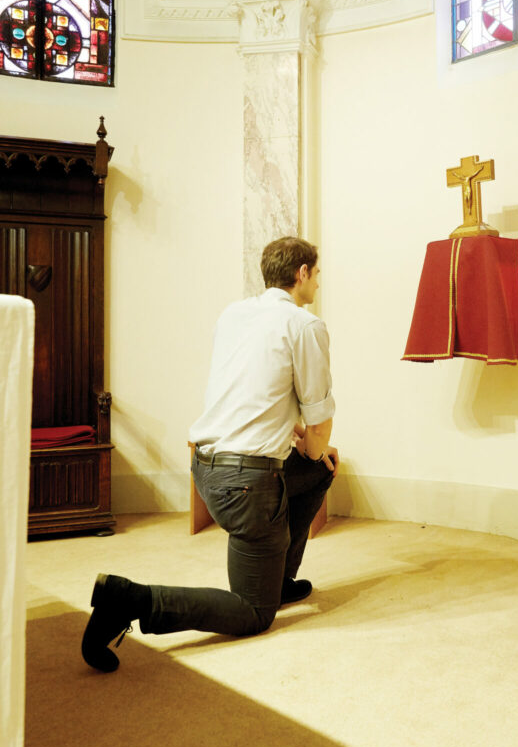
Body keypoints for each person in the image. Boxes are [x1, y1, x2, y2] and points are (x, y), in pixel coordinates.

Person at [82, 236, 337, 673]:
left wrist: (304, 446)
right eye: (318, 272)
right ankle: (131, 598)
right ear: (302, 274)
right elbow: (317, 429)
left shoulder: (234, 314)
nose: (320, 281)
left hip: (206, 467)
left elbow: (254, 394)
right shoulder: (305, 325)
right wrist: (314, 446)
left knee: (316, 471)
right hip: (247, 487)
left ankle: (279, 580)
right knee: (254, 613)